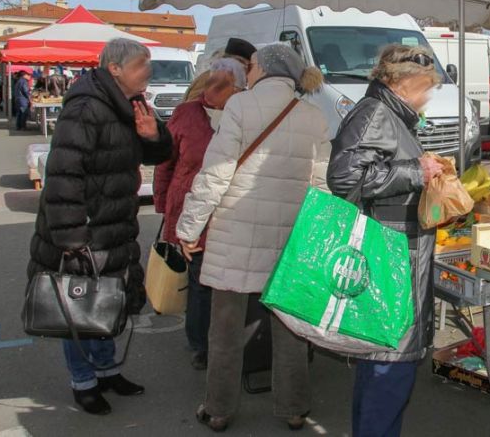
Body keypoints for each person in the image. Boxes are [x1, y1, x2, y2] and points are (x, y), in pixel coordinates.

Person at [176, 44, 328, 433]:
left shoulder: (240, 107)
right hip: (290, 237)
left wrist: (189, 228)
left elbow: (215, 173)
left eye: (254, 64)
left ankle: (218, 409)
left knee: (225, 330)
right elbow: (321, 185)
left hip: (235, 234)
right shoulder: (313, 116)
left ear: (266, 69)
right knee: (291, 328)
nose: (251, 70)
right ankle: (294, 408)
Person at [26, 38, 173, 415]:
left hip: (113, 224)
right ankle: (83, 382)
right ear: (115, 69)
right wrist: (71, 235)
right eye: (142, 64)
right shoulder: (87, 106)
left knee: (108, 298)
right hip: (84, 230)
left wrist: (152, 135)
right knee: (77, 303)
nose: (149, 71)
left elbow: (159, 154)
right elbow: (62, 174)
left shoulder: (133, 103)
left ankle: (107, 370)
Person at [327, 45, 446, 437]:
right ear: (400, 82)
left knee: (381, 366)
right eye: (424, 87)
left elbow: (375, 168)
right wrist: (416, 170)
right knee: (387, 370)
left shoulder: (391, 114)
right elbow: (345, 178)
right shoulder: (376, 113)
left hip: (395, 256)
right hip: (389, 261)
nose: (427, 95)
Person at [153, 58, 247, 371]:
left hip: (231, 211)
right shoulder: (186, 113)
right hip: (191, 208)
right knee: (200, 281)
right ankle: (200, 344)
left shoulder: (244, 116)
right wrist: (163, 205)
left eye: (224, 83)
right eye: (212, 81)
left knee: (226, 283)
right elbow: (166, 162)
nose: (214, 88)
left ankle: (228, 339)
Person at [184, 37, 257, 103]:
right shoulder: (211, 78)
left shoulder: (229, 79)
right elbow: (191, 106)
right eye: (248, 68)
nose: (248, 74)